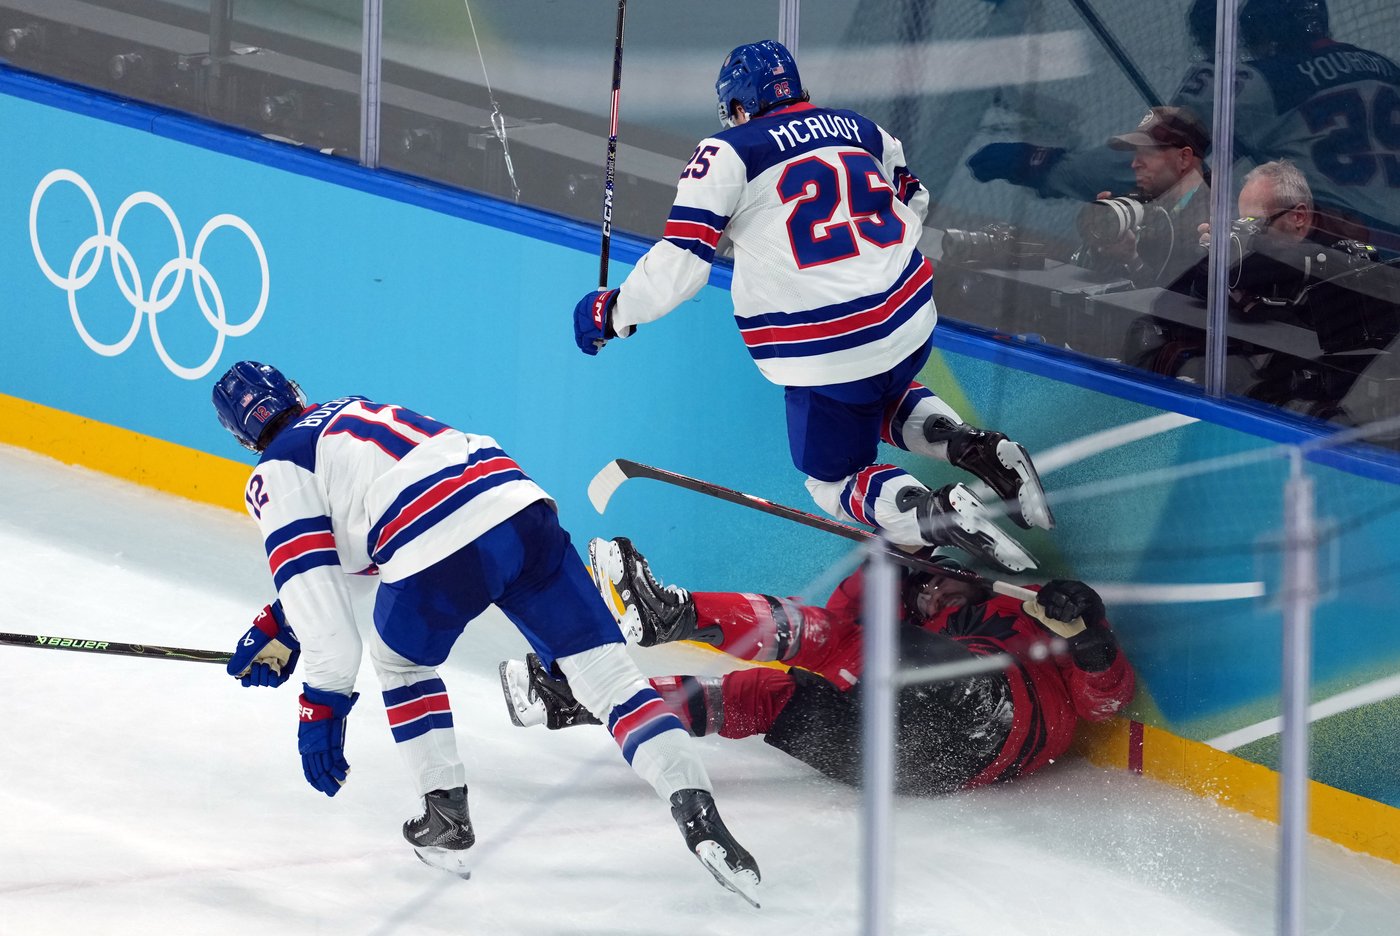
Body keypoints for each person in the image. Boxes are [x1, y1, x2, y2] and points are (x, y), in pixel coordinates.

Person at [210, 361, 760, 904]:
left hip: (434, 539)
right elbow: (357, 552)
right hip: (518, 507)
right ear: (294, 392)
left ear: (240, 436)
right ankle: (696, 809)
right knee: (608, 677)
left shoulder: (273, 472)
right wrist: (285, 621)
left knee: (401, 664)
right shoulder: (346, 412)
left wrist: (321, 706)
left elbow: (333, 630)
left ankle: (445, 814)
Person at [571, 39, 1051, 575]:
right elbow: (913, 200)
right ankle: (974, 446)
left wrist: (613, 312)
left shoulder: (728, 152)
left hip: (830, 351)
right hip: (911, 320)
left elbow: (681, 265)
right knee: (877, 394)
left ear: (738, 106)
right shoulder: (863, 129)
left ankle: (938, 513)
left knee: (831, 478)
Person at [500, 537, 1135, 796]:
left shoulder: (1032, 613)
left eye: (935, 583)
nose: (931, 596)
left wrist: (1093, 644)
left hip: (992, 722)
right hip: (908, 768)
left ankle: (673, 614)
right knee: (763, 696)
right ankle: (581, 699)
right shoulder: (911, 623)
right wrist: (891, 564)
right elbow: (847, 620)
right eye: (918, 590)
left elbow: (1103, 703)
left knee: (841, 644)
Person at [1075, 106, 1213, 290]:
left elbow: (1178, 299)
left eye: (1147, 153)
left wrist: (1133, 260)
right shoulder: (1143, 200)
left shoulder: (1211, 223)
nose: (1135, 164)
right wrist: (1103, 238)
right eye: (1136, 153)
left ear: (1184, 158)